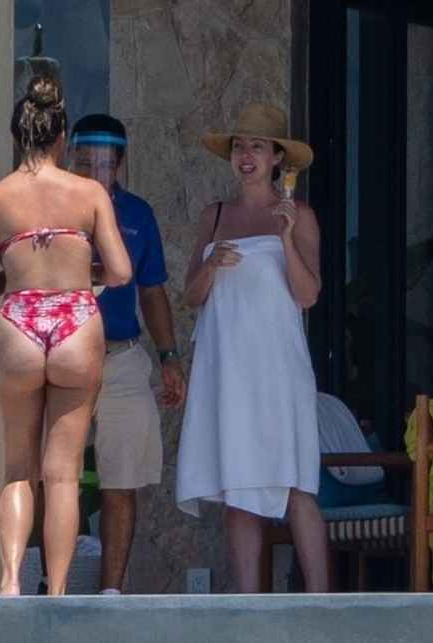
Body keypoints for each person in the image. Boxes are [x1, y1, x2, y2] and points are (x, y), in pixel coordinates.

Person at [0, 76, 132, 596]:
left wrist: (21, 276)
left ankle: (10, 581)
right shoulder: (89, 193)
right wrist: (84, 271)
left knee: (18, 468)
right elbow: (122, 272)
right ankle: (57, 592)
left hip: (19, 321)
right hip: (75, 321)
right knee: (63, 473)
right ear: (62, 135)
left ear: (18, 134)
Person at [175, 103, 327, 592]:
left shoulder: (299, 215)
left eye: (257, 147)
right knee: (239, 486)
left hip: (278, 369)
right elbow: (191, 296)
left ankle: (324, 604)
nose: (246, 155)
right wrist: (210, 265)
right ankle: (247, 608)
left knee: (295, 483)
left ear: (277, 157)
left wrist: (286, 239)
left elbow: (308, 294)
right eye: (239, 146)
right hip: (228, 370)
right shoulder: (215, 215)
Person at [68, 114, 187, 594]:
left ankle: (110, 594)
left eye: (103, 162)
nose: (93, 170)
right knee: (55, 478)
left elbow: (152, 290)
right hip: (64, 358)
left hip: (122, 356)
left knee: (121, 479)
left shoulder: (137, 213)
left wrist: (169, 355)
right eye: (84, 161)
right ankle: (51, 588)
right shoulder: (54, 207)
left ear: (119, 164)